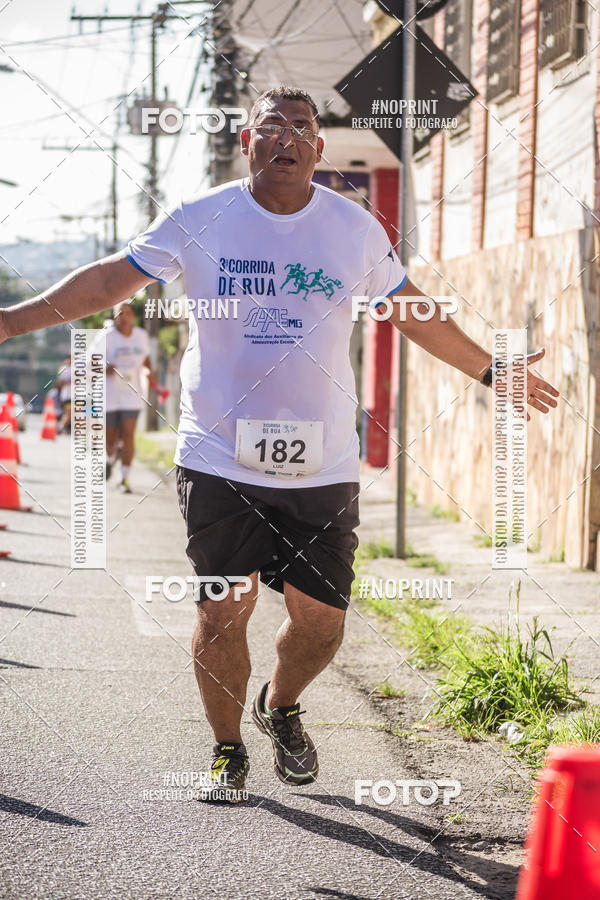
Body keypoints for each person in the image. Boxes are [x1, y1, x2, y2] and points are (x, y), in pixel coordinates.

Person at [0, 86, 559, 804]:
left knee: (321, 622)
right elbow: (113, 278)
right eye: (271, 126)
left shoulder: (351, 228)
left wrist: (491, 368)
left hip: (322, 460)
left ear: (320, 148)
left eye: (302, 127)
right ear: (247, 141)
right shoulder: (201, 218)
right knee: (222, 609)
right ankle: (227, 748)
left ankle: (281, 703)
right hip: (219, 453)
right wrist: (13, 323)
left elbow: (411, 309)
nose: (287, 137)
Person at [102, 301, 154, 493]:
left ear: (133, 317)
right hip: (110, 394)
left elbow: (147, 360)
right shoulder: (106, 337)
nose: (124, 317)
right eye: (120, 314)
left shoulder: (141, 336)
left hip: (132, 393)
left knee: (129, 433)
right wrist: (108, 368)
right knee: (111, 438)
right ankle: (109, 459)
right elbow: (92, 363)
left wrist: (154, 380)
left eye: (128, 313)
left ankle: (125, 479)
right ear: (114, 317)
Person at [56, 355, 72, 435]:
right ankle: (60, 427)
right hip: (67, 396)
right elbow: (60, 383)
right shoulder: (64, 369)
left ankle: (61, 427)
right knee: (69, 414)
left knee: (71, 414)